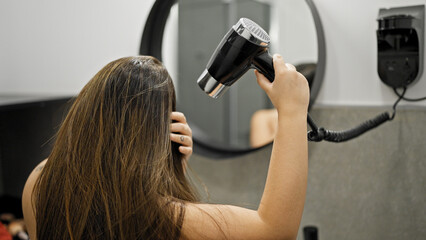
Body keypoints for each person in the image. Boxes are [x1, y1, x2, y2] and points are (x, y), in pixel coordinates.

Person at [22, 54, 309, 239]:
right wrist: (293, 110)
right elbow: (275, 232)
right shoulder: (157, 212)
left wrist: (170, 173)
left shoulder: (40, 181)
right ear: (157, 134)